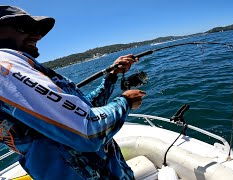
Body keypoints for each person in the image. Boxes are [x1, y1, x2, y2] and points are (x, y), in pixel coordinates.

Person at [0, 5, 146, 179]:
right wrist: (126, 102)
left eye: (37, 29)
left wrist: (112, 77)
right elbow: (88, 131)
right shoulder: (4, 66)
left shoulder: (21, 69)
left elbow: (83, 110)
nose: (37, 35)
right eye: (23, 27)